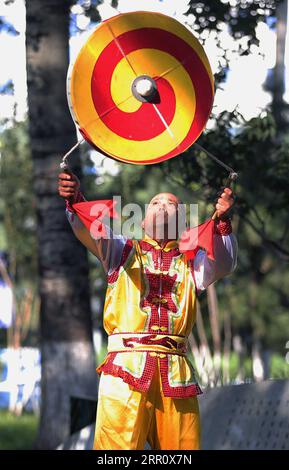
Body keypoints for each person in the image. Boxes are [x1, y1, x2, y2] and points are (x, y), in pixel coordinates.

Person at [58, 171, 237, 450]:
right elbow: (92, 229)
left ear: (181, 223)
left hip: (176, 374)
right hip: (124, 372)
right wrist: (75, 199)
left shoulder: (192, 263)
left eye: (171, 205)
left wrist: (223, 222)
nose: (163, 206)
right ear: (142, 222)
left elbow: (224, 263)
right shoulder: (121, 250)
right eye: (155, 203)